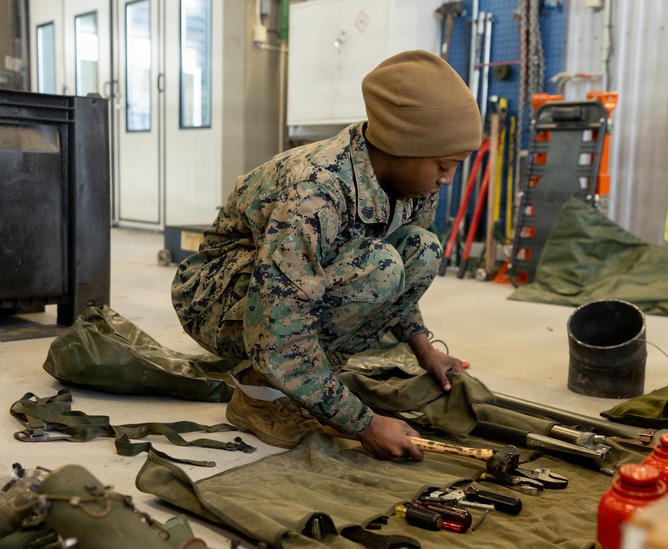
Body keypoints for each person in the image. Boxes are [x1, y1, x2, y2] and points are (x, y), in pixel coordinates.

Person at [171, 50, 482, 461]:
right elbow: (279, 319)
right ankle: (259, 396)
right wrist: (363, 423)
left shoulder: (414, 185)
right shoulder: (316, 189)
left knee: (421, 249)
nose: (448, 179)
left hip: (286, 291)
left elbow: (406, 272)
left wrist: (425, 349)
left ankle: (309, 384)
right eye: (443, 166)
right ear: (401, 145)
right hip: (216, 299)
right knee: (379, 266)